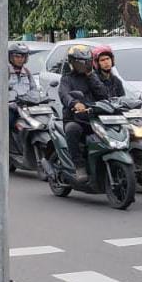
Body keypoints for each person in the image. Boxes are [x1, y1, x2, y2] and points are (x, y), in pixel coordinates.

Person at [57, 44, 98, 182]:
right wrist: (74, 103)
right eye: (80, 62)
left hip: (94, 118)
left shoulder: (93, 77)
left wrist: (92, 77)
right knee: (72, 130)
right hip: (75, 118)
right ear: (72, 63)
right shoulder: (66, 79)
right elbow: (64, 95)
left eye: (87, 62)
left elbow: (103, 94)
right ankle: (79, 165)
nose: (84, 65)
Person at [6, 42, 42, 148]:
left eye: (23, 56)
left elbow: (34, 88)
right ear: (10, 57)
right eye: (17, 56)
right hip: (11, 108)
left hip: (26, 107)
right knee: (6, 123)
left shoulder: (26, 72)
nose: (20, 59)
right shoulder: (5, 71)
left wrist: (36, 98)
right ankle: (5, 147)